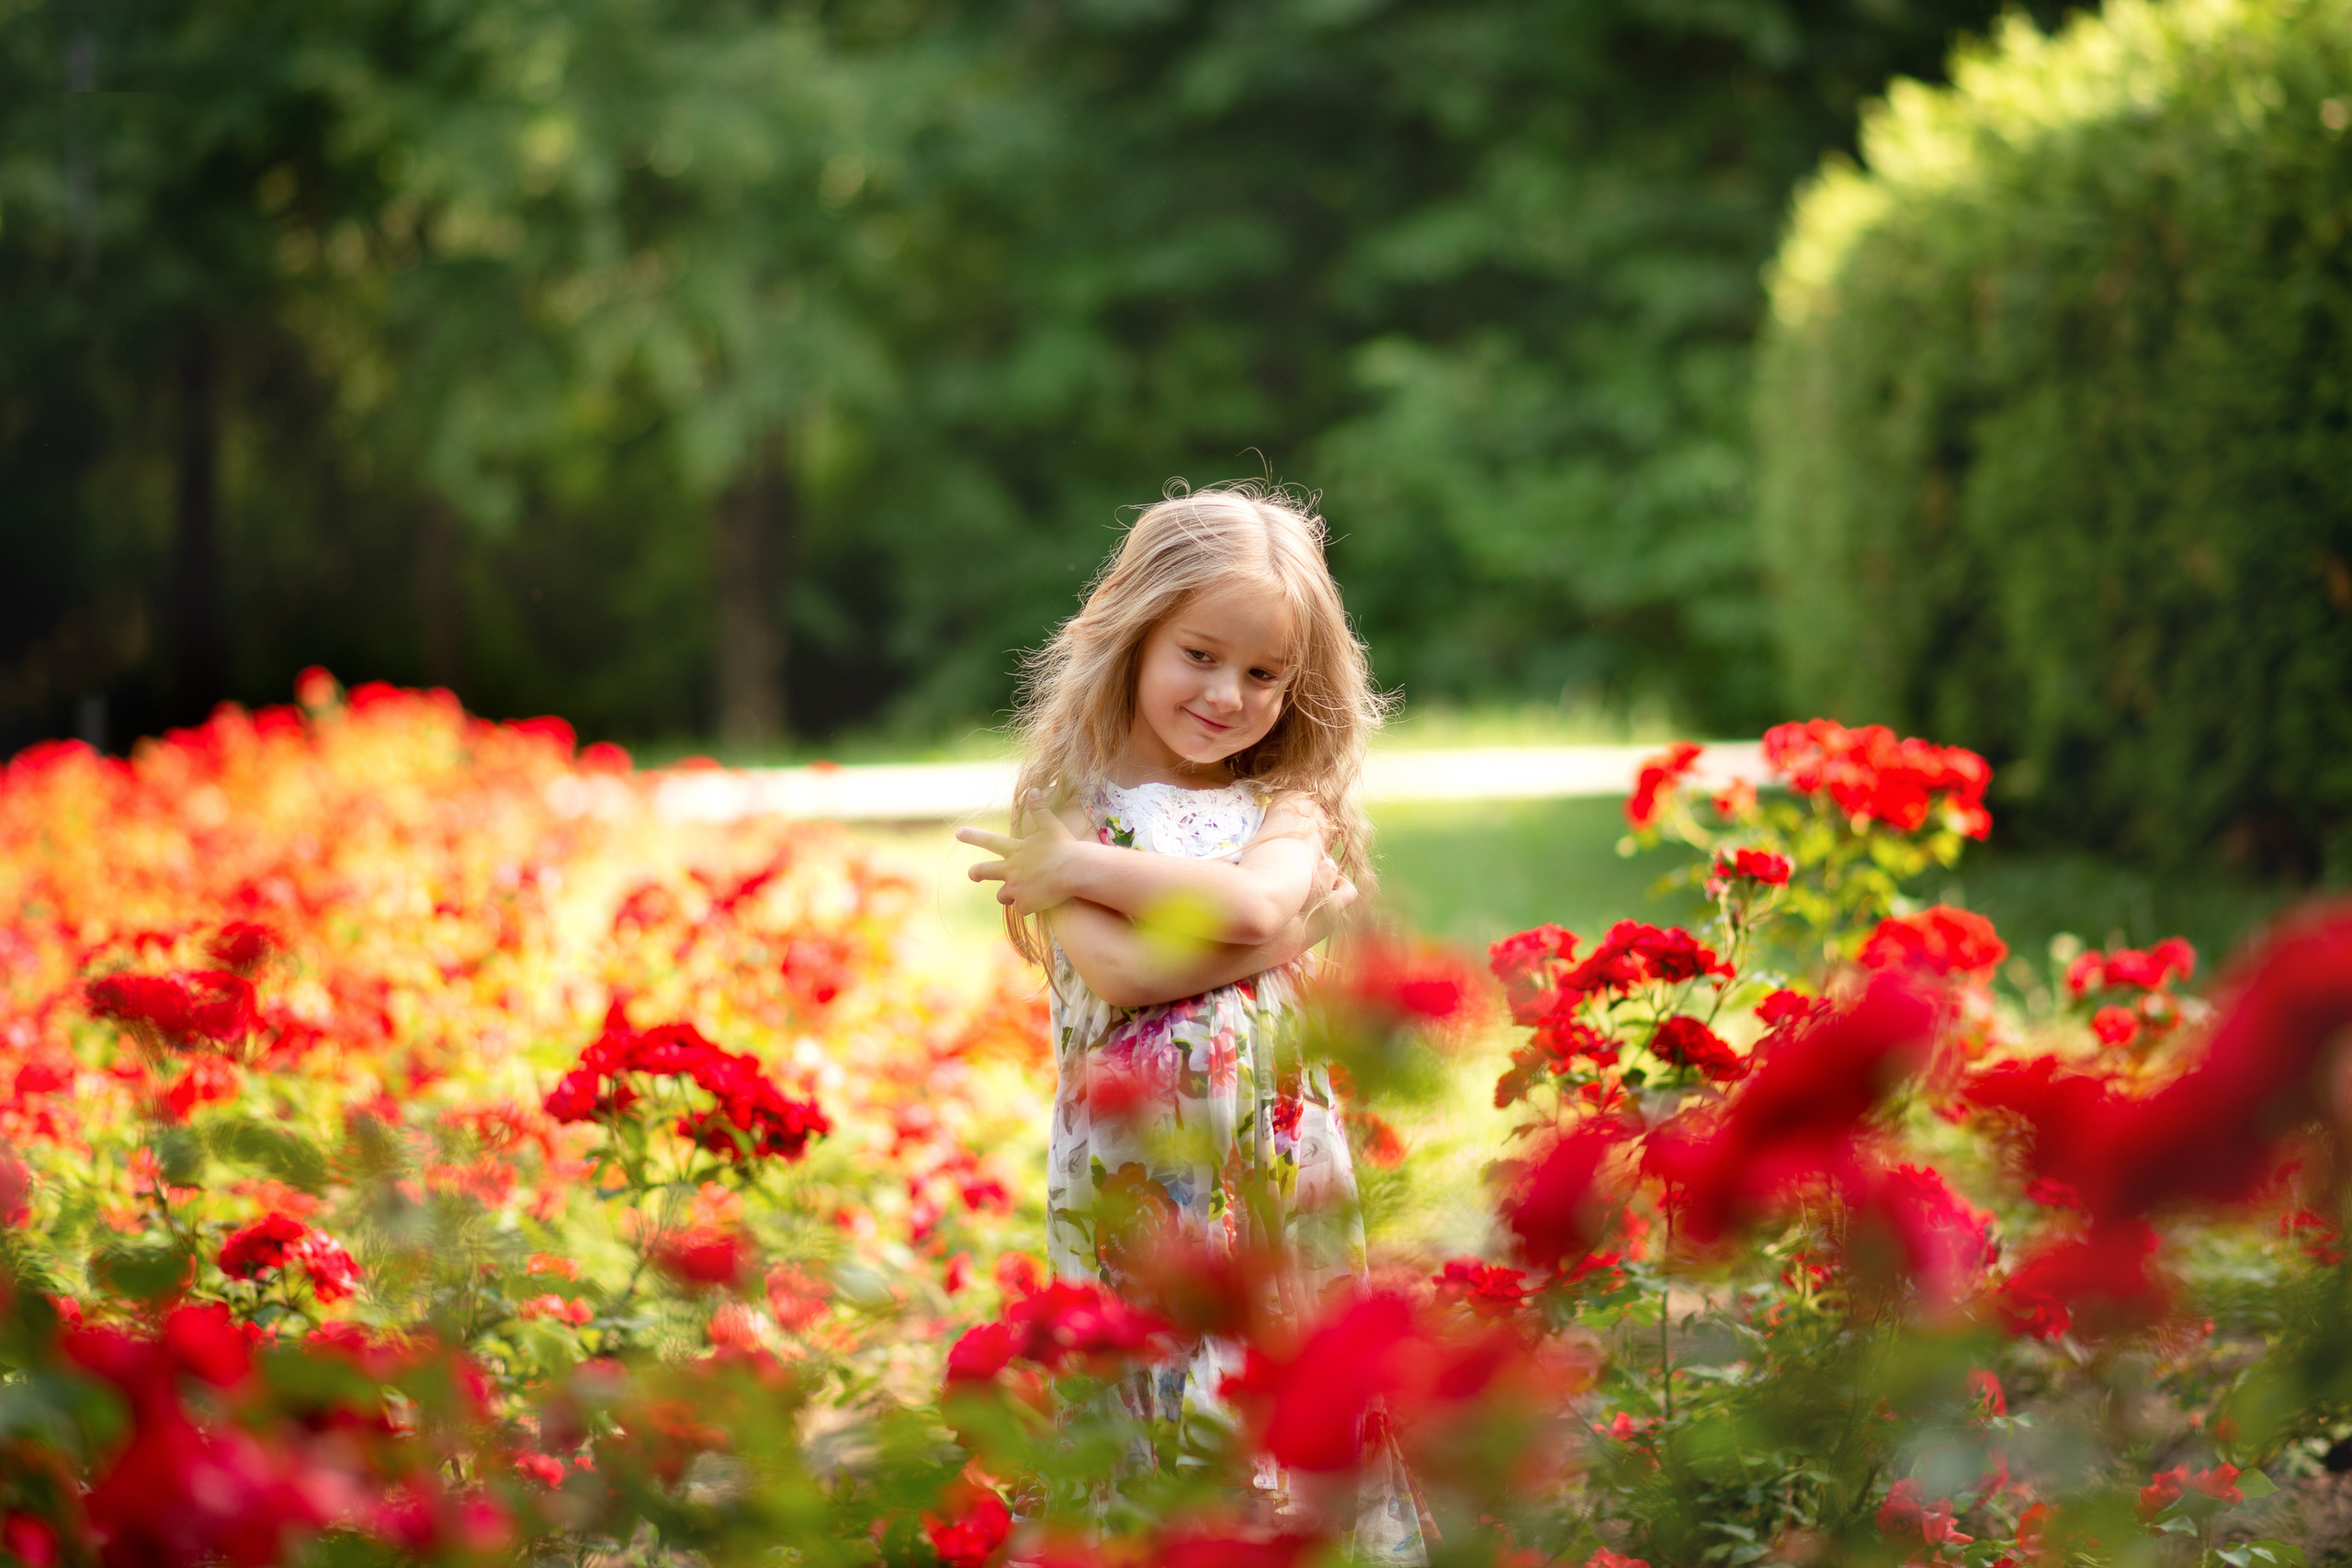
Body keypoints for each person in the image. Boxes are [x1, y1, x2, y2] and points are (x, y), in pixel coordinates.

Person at [956, 481, 1426, 1560]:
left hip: (1269, 1162)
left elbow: (1257, 900)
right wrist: (1297, 937)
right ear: (1132, 636)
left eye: (1265, 674)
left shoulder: (1285, 806)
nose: (1229, 694)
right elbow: (1121, 973)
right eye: (1200, 655)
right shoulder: (1072, 803)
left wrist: (1082, 871)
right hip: (1136, 1175)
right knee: (1152, 1383)